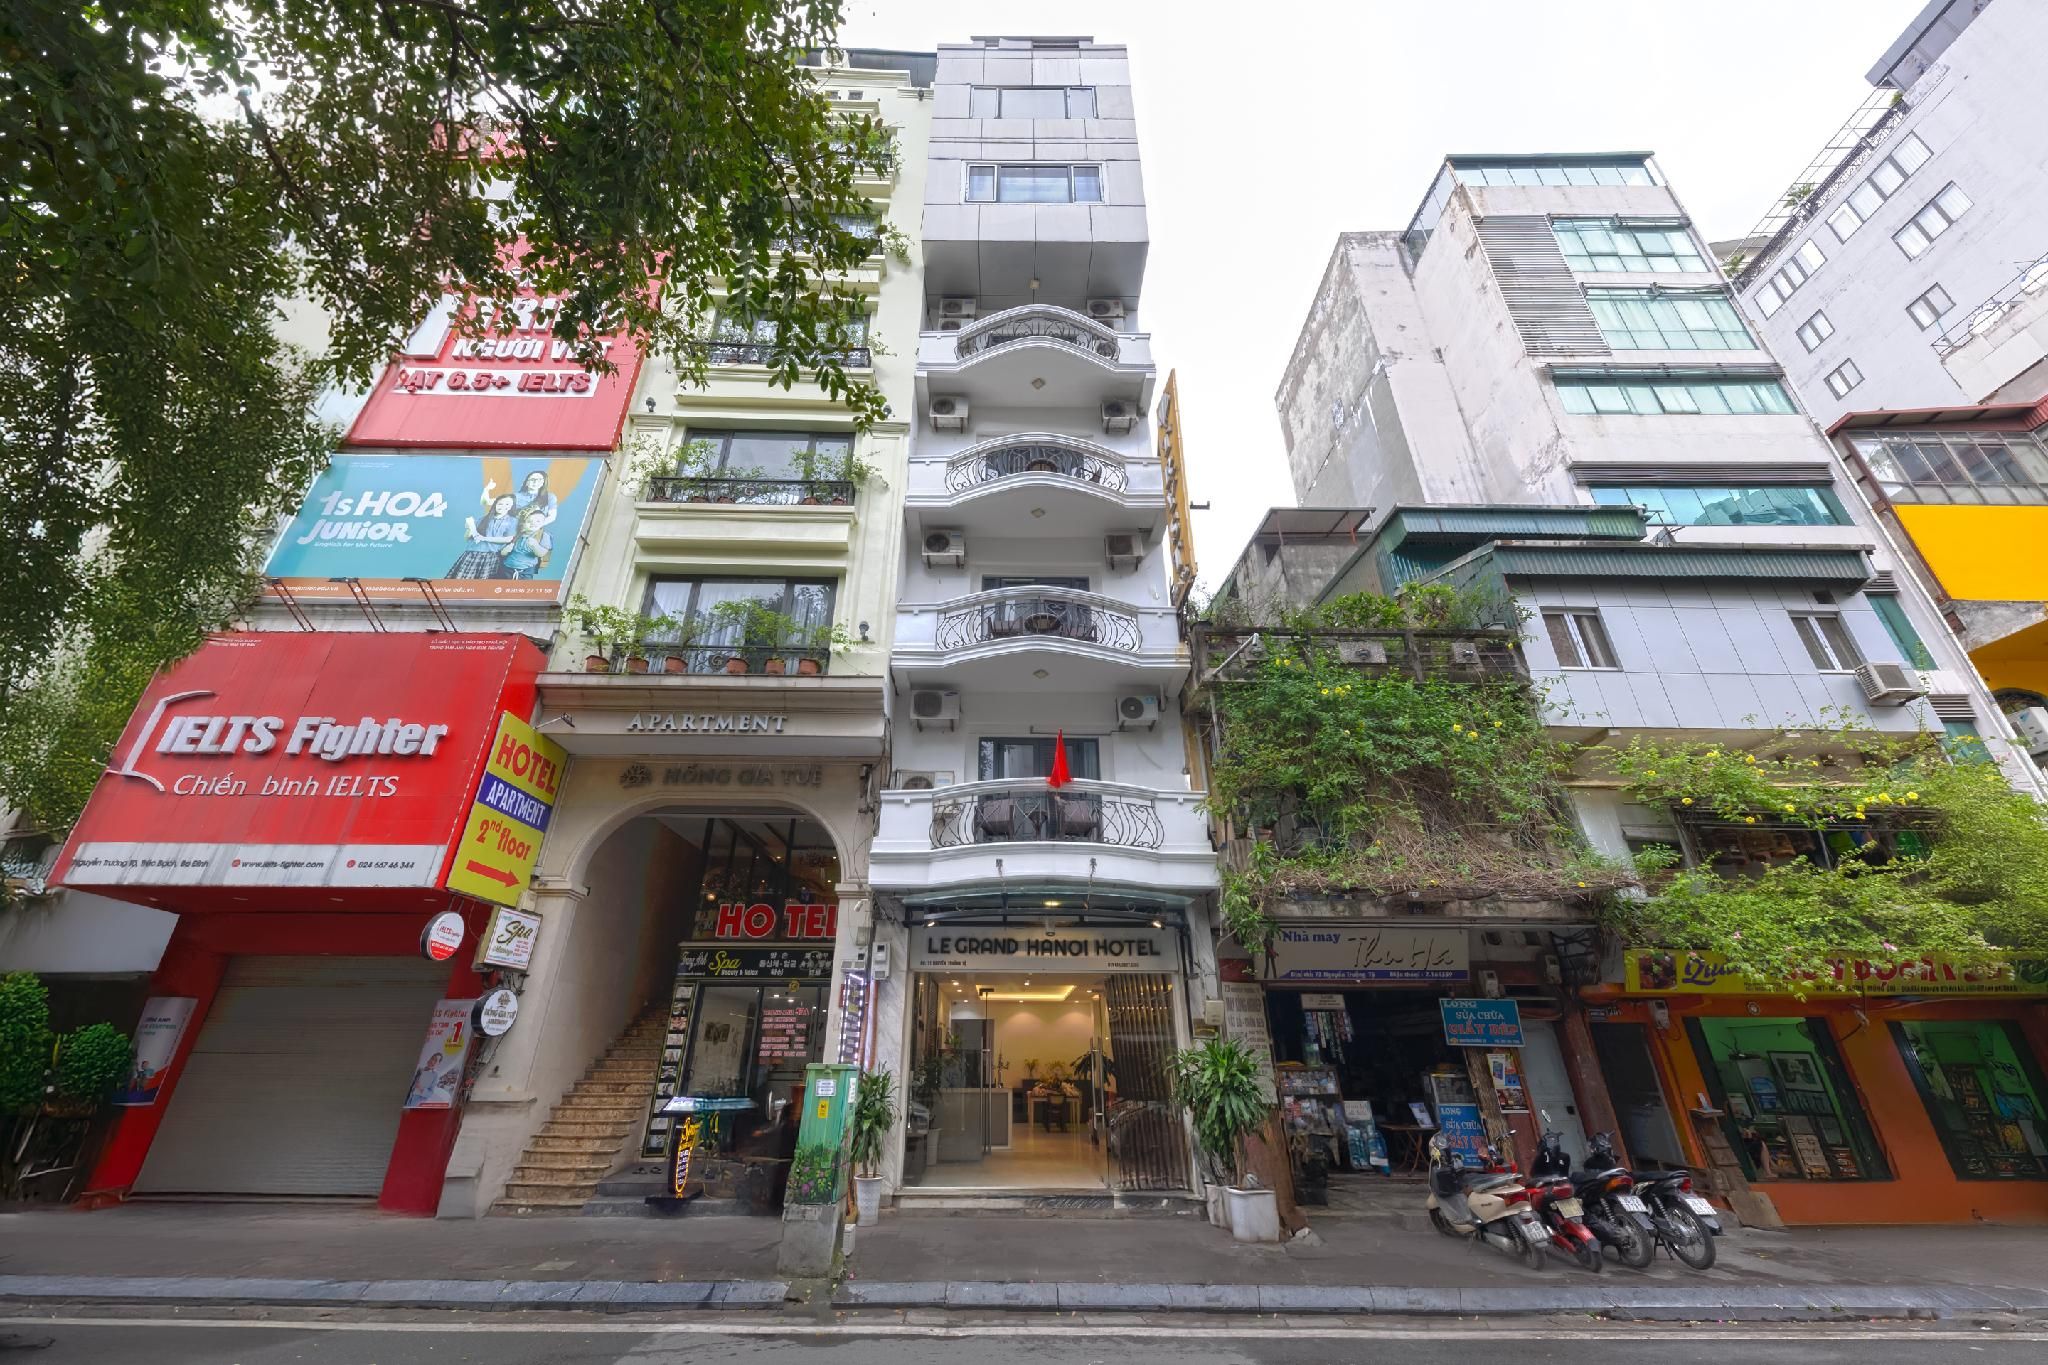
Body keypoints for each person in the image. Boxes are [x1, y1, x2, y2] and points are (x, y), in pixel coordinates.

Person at [450, 493, 518, 578]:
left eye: (507, 504)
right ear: (495, 504)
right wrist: (469, 528)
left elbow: (509, 539)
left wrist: (484, 538)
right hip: (470, 554)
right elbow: (467, 538)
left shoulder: (512, 521)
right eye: (500, 503)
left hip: (490, 556)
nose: (503, 506)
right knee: (461, 583)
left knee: (483, 585)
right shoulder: (482, 519)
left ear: (512, 506)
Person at [498, 504, 553, 579]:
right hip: (506, 568)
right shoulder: (517, 534)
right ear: (523, 523)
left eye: (538, 521)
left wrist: (535, 546)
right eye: (529, 521)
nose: (533, 523)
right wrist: (505, 551)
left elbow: (541, 553)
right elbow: (502, 553)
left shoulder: (543, 535)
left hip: (525, 571)